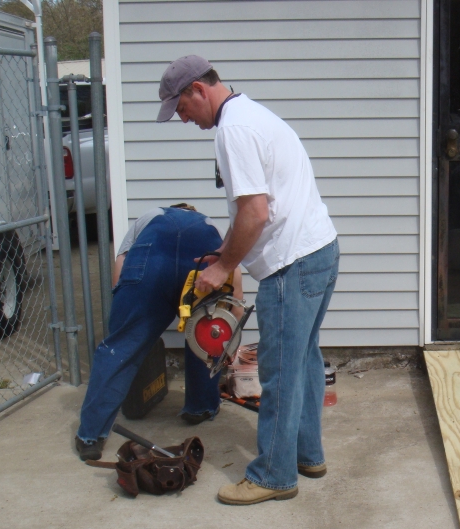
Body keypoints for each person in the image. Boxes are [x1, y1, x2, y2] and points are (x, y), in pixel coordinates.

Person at [157, 55, 339, 505]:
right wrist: (225, 252)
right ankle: (307, 455)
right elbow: (258, 208)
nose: (184, 119)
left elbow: (256, 213)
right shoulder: (253, 115)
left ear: (199, 90)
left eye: (182, 108)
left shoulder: (233, 130)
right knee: (305, 360)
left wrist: (221, 269)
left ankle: (274, 476)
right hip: (320, 250)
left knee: (279, 373)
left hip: (291, 264)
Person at [74, 204, 243, 461]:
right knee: (206, 334)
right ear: (193, 211)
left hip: (152, 258)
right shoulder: (212, 226)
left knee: (119, 347)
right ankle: (200, 407)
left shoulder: (148, 218)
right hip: (201, 262)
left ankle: (91, 437)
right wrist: (228, 339)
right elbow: (234, 286)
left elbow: (120, 273)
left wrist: (124, 330)